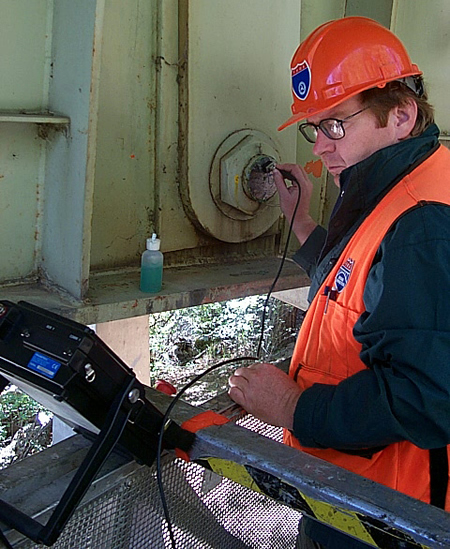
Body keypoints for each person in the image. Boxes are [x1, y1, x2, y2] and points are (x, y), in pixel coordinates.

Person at [228, 16, 450, 548]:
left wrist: (290, 409)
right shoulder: (409, 187)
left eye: (335, 125)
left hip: (395, 516)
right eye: (314, 127)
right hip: (361, 496)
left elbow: (425, 396)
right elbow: (364, 290)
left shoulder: (422, 224)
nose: (321, 147)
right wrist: (304, 226)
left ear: (401, 115)